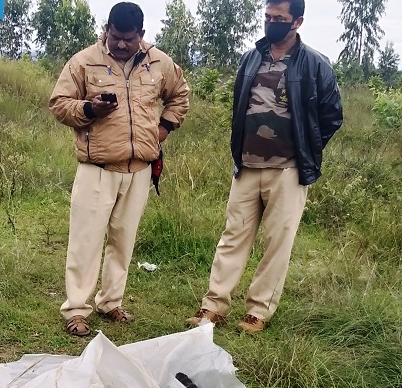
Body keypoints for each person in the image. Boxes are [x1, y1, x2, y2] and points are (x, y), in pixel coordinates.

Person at [187, 0, 342, 333]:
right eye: (268, 17)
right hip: (246, 165)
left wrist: (305, 150)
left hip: (288, 170)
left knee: (277, 244)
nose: (271, 23)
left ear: (297, 22)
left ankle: (258, 312)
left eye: (280, 19)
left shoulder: (315, 64)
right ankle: (213, 307)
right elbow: (239, 107)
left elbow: (331, 117)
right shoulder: (251, 58)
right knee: (232, 237)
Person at [49, 2, 189, 337]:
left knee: (123, 240)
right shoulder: (84, 61)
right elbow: (59, 103)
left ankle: (111, 302)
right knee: (86, 240)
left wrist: (162, 130)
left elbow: (180, 96)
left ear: (141, 34)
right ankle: (76, 310)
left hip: (140, 168)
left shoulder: (160, 63)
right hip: (97, 166)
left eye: (128, 38)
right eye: (115, 37)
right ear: (106, 30)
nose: (122, 44)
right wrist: (89, 109)